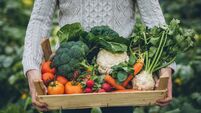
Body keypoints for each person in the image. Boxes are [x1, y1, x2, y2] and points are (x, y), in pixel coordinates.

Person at [22, 0, 176, 112]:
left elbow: (154, 19)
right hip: (72, 78)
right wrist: (32, 70)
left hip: (121, 77)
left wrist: (166, 69)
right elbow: (39, 20)